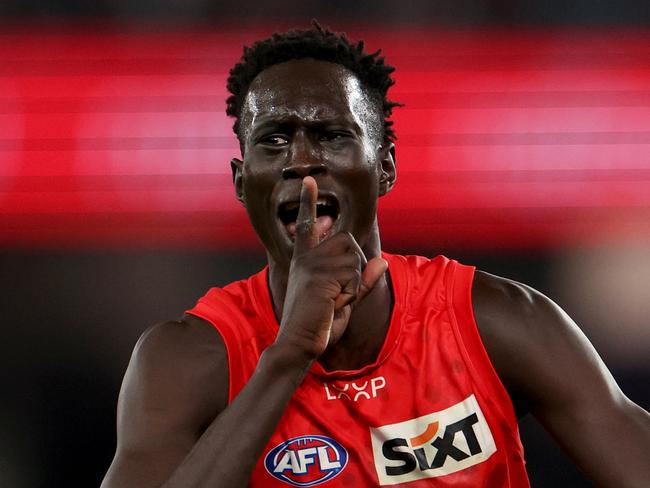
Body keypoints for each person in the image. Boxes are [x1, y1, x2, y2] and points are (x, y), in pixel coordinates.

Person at [101, 24, 650, 488]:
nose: (302, 161)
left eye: (332, 135)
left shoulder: (495, 321)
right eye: (274, 140)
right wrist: (288, 355)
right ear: (243, 183)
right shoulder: (186, 360)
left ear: (385, 167)